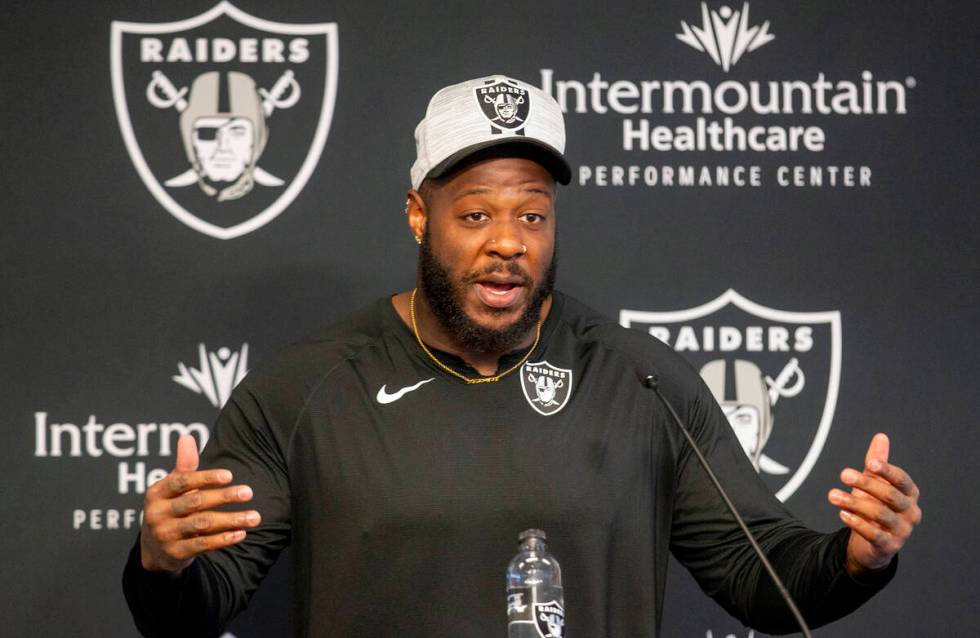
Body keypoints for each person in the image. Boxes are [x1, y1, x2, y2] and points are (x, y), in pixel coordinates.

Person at [123, 75, 922, 637]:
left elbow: (763, 577)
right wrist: (162, 566)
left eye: (532, 216)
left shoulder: (640, 380)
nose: (507, 242)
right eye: (475, 213)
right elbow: (202, 607)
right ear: (417, 217)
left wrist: (854, 558)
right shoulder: (306, 389)